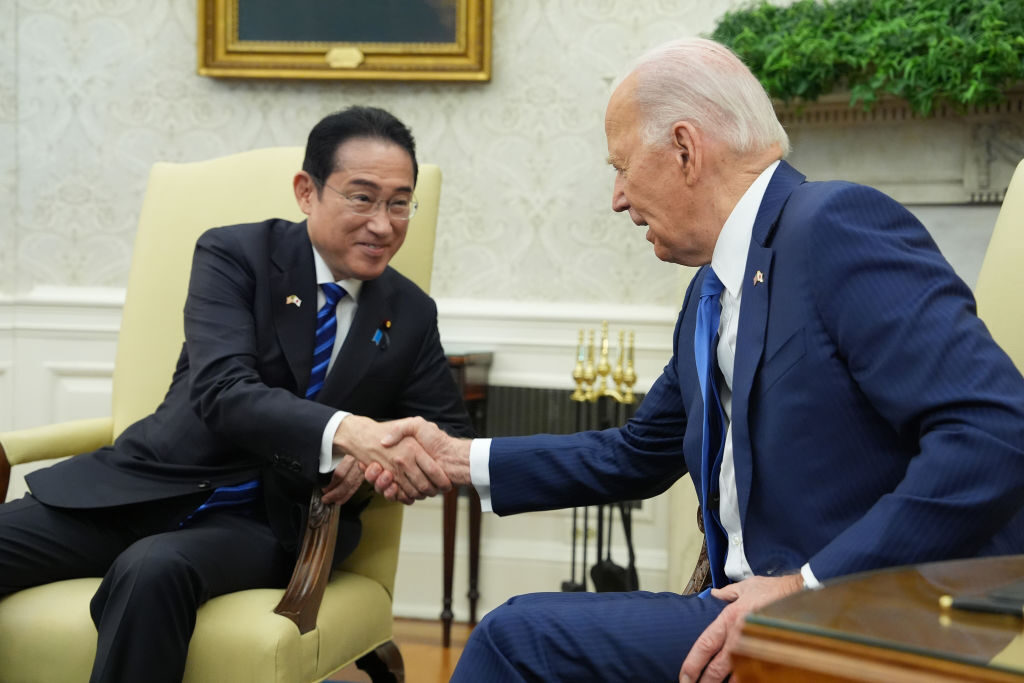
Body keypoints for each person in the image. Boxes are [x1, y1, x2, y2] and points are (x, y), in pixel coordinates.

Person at [364, 38, 1024, 682]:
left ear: (684, 149)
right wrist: (456, 459)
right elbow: (632, 455)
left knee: (514, 640)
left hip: (862, 608)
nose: (617, 197)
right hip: (745, 605)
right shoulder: (709, 294)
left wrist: (804, 585)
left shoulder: (833, 226)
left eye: (620, 168)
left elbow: (993, 430)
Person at [0, 106, 473, 682]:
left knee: (152, 569)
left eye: (400, 203)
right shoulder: (236, 256)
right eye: (362, 198)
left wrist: (377, 467)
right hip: (146, 486)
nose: (383, 223)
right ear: (307, 191)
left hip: (269, 522)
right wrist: (351, 434)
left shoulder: (410, 313)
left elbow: (448, 438)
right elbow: (224, 391)